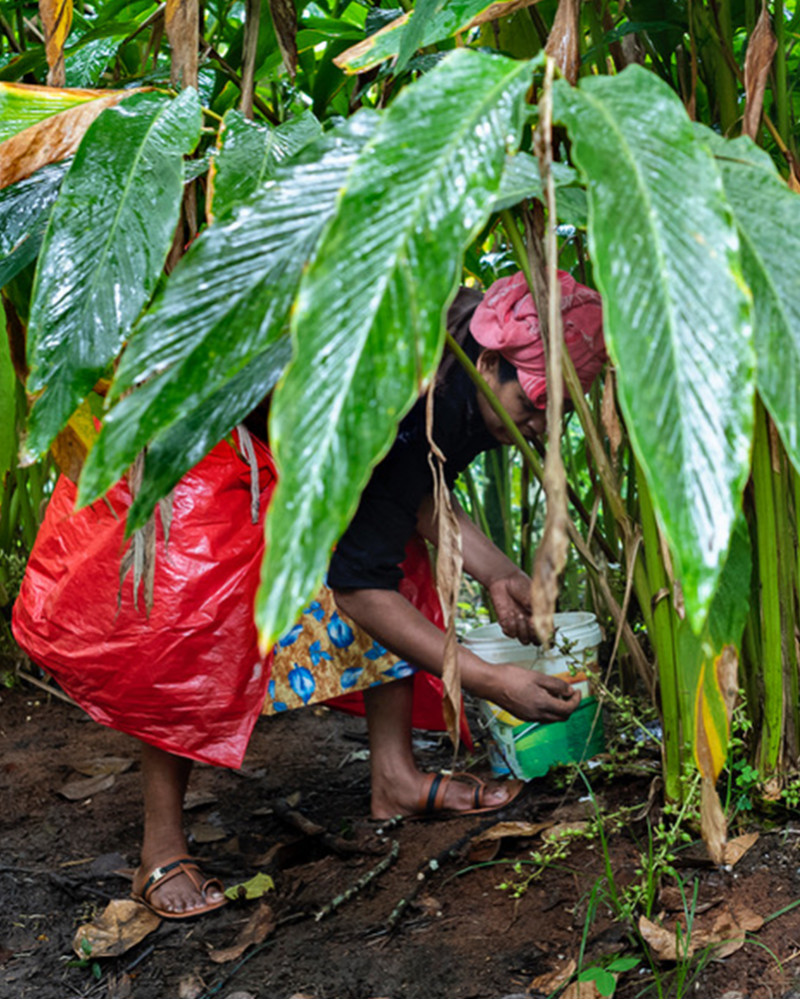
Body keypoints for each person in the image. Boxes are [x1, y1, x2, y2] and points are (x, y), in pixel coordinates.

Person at [12, 268, 606, 919]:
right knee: (190, 617)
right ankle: (161, 844)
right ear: (489, 359)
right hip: (208, 435)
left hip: (301, 451)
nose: (542, 424)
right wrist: (490, 680)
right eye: (535, 405)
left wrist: (496, 573)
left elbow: (408, 495)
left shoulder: (469, 387)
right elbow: (358, 589)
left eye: (559, 412)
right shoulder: (412, 380)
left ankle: (396, 778)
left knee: (399, 558)